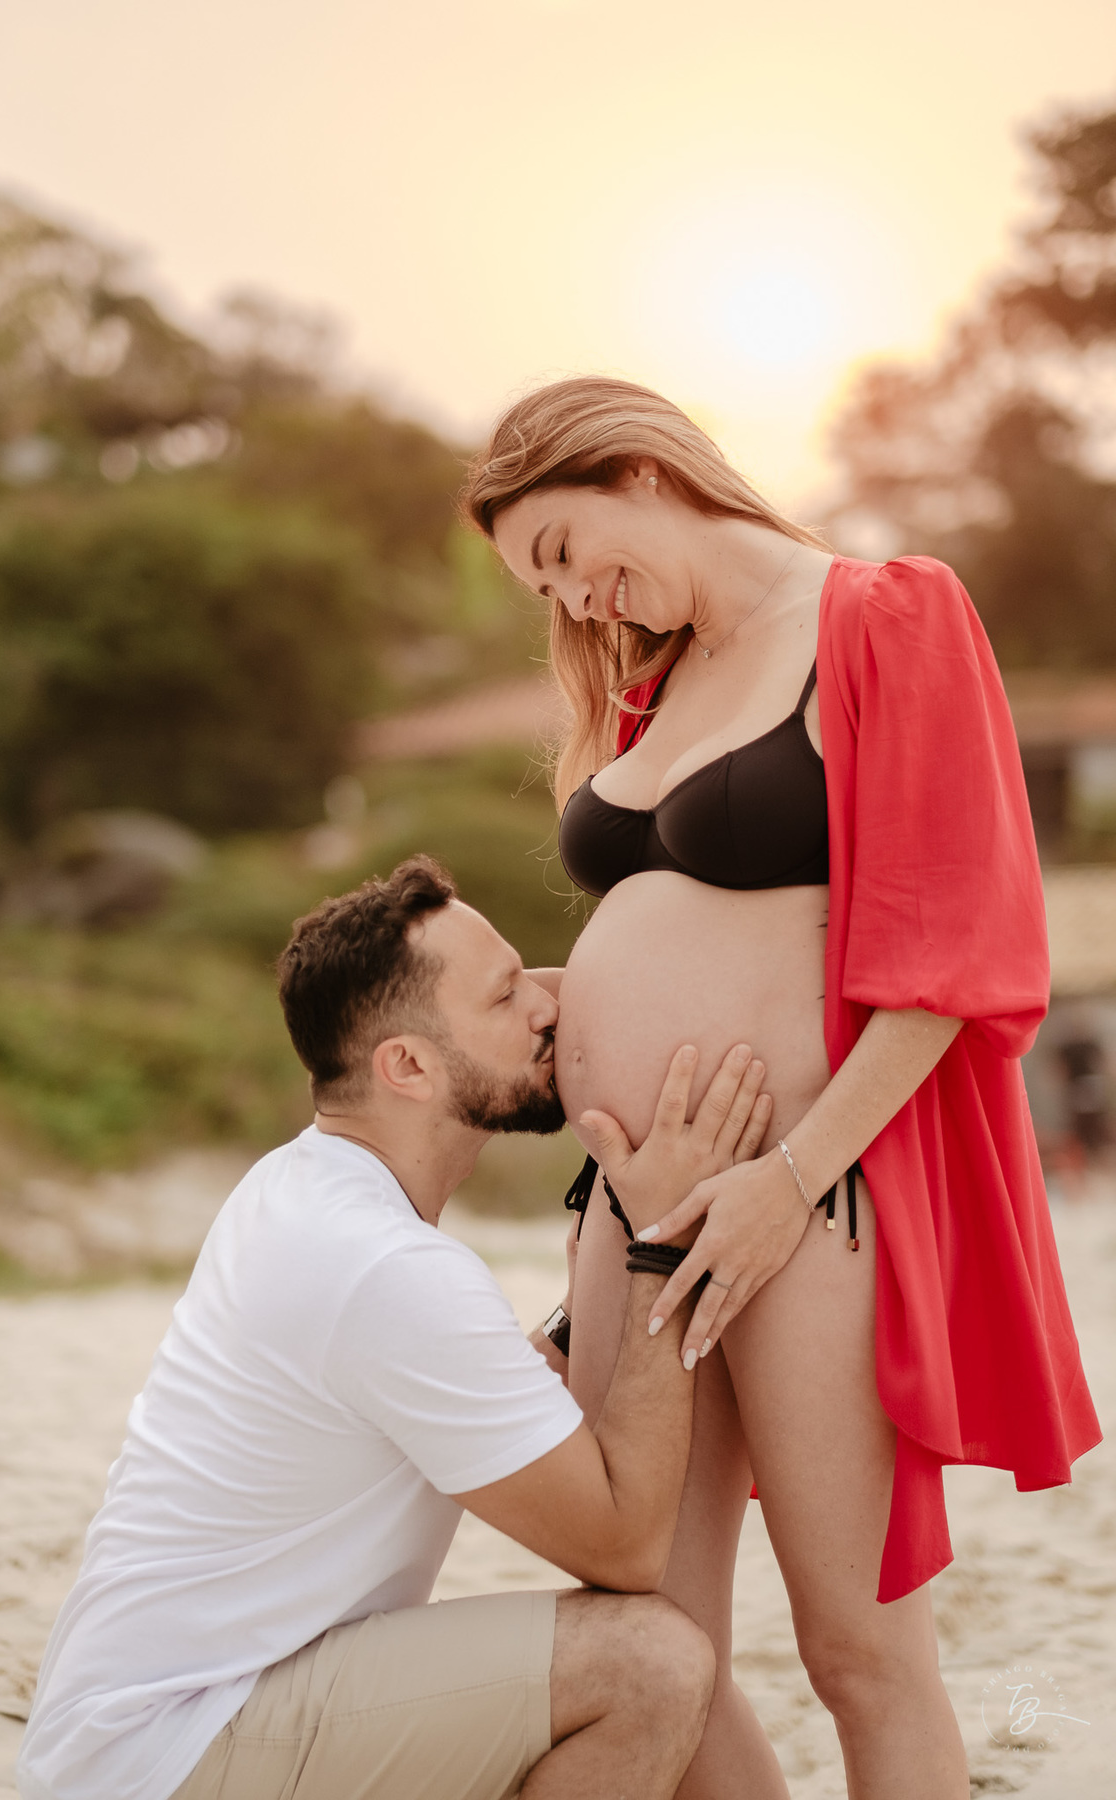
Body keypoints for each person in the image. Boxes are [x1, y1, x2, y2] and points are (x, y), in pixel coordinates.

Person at [464, 376, 1102, 1800]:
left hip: (814, 1199)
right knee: (656, 1641)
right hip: (629, 1199)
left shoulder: (883, 616)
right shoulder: (656, 680)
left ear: (636, 470)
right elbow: (688, 930)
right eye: (543, 590)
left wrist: (786, 1181)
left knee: (859, 1654)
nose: (574, 604)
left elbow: (957, 954)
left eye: (563, 553)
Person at [17, 855, 775, 1800]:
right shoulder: (384, 1269)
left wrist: (593, 1296)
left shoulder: (304, 1191)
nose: (546, 1005)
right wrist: (656, 1247)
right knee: (648, 1665)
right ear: (407, 1066)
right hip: (176, 1748)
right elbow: (624, 1545)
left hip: (151, 1728)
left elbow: (483, 1397)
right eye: (504, 997)